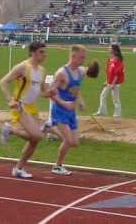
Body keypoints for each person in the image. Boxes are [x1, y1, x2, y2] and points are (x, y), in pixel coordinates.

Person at [0, 42, 53, 178]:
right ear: (33, 52)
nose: (44, 54)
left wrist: (51, 93)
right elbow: (3, 82)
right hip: (20, 105)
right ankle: (10, 130)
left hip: (32, 107)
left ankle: (18, 168)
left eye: (45, 52)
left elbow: (43, 92)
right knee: (38, 135)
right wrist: (10, 99)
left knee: (34, 140)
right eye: (41, 52)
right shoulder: (23, 67)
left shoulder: (42, 70)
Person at [47, 45, 98, 175]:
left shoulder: (80, 72)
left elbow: (76, 88)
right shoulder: (61, 73)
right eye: (81, 57)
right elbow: (51, 92)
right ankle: (57, 166)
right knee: (68, 140)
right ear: (73, 56)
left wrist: (80, 101)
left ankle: (49, 128)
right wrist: (62, 102)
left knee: (74, 142)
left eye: (84, 57)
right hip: (59, 109)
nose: (83, 60)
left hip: (71, 110)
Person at [95, 45, 125, 117]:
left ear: (114, 50)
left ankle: (117, 113)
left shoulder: (117, 60)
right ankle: (103, 111)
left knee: (115, 99)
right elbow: (108, 73)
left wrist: (112, 84)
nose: (108, 49)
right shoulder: (109, 60)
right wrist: (106, 81)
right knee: (103, 96)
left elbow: (117, 73)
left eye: (110, 48)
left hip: (115, 83)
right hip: (109, 82)